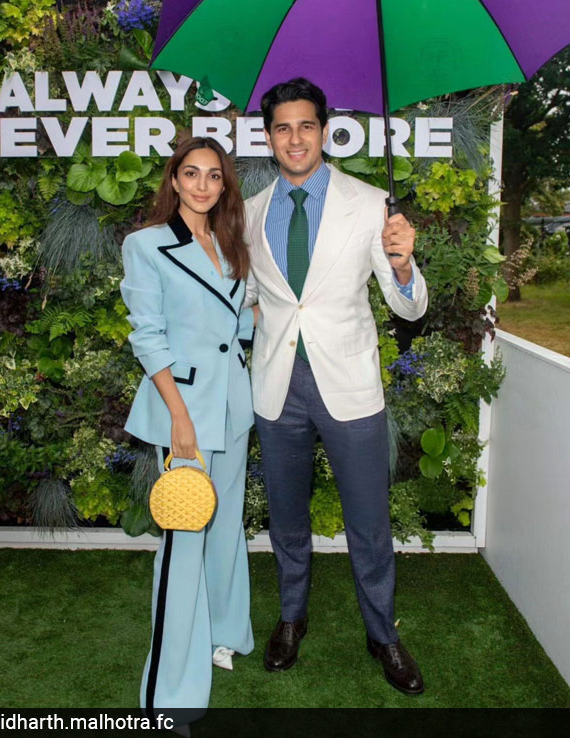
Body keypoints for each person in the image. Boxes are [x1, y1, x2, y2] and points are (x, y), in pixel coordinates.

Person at [243, 78, 428, 694]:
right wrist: (253, 318)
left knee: (369, 522)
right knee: (287, 519)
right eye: (281, 128)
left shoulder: (372, 204)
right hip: (276, 387)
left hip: (348, 386)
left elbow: (408, 309)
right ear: (268, 137)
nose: (294, 138)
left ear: (325, 131)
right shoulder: (248, 213)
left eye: (305, 125)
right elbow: (246, 300)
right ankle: (291, 618)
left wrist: (402, 265)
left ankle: (383, 634)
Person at [122, 137, 257, 714]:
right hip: (186, 413)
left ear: (224, 186)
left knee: (226, 528)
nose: (203, 185)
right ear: (173, 180)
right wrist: (178, 417)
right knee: (183, 543)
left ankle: (223, 634)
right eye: (191, 173)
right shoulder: (146, 245)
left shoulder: (230, 244)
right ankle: (170, 691)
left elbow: (237, 321)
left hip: (234, 407)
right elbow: (147, 336)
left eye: (214, 176)